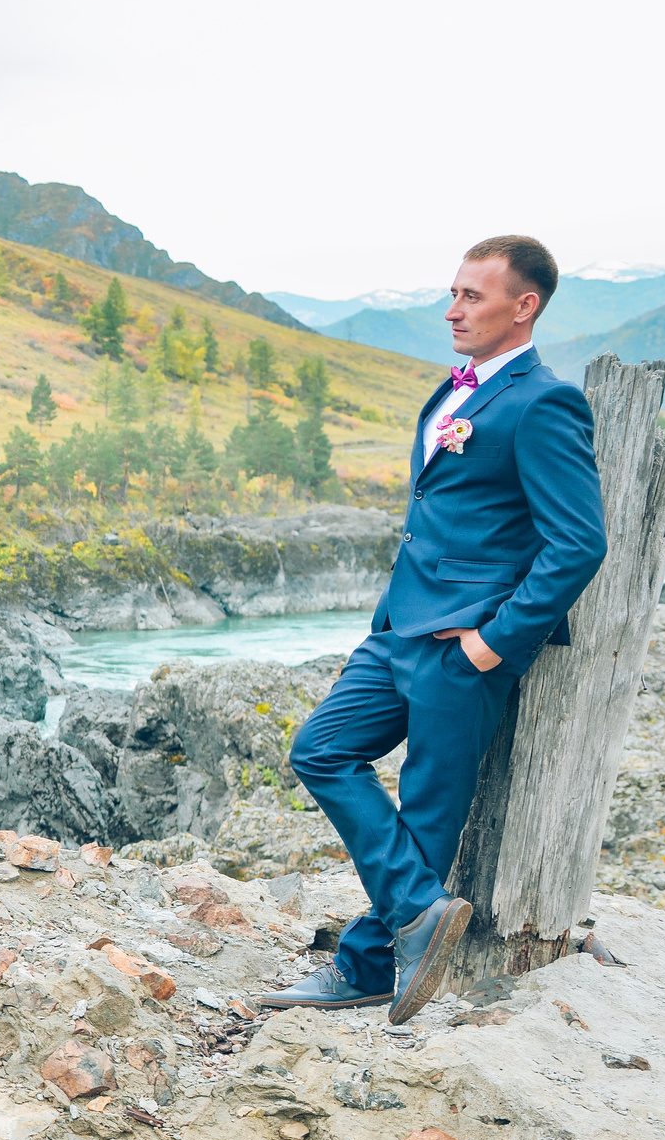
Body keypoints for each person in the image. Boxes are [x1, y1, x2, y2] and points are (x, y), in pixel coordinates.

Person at [260, 236, 606, 1022]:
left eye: (472, 297)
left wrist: (495, 641)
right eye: (452, 293)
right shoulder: (452, 392)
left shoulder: (542, 402)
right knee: (320, 748)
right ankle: (418, 910)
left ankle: (364, 967)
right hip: (397, 631)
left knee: (427, 808)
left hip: (463, 647)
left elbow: (579, 542)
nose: (452, 310)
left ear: (524, 306)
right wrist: (388, 623)